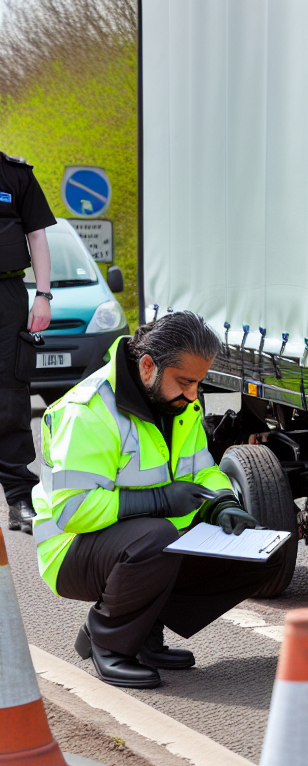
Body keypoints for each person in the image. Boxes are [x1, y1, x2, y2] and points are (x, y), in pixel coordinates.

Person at [32, 310, 288, 689]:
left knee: (268, 551)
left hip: (146, 540)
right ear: (148, 366)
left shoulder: (179, 405)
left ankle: (142, 635)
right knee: (157, 538)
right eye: (185, 382)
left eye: (199, 383)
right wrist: (160, 500)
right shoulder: (87, 411)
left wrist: (223, 503)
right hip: (71, 550)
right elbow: (73, 511)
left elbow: (202, 470)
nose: (193, 395)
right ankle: (109, 644)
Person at [0, 151, 56, 532]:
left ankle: (20, 498)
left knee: (10, 392)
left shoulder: (15, 175)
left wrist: (43, 294)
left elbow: (37, 235)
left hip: (7, 295)